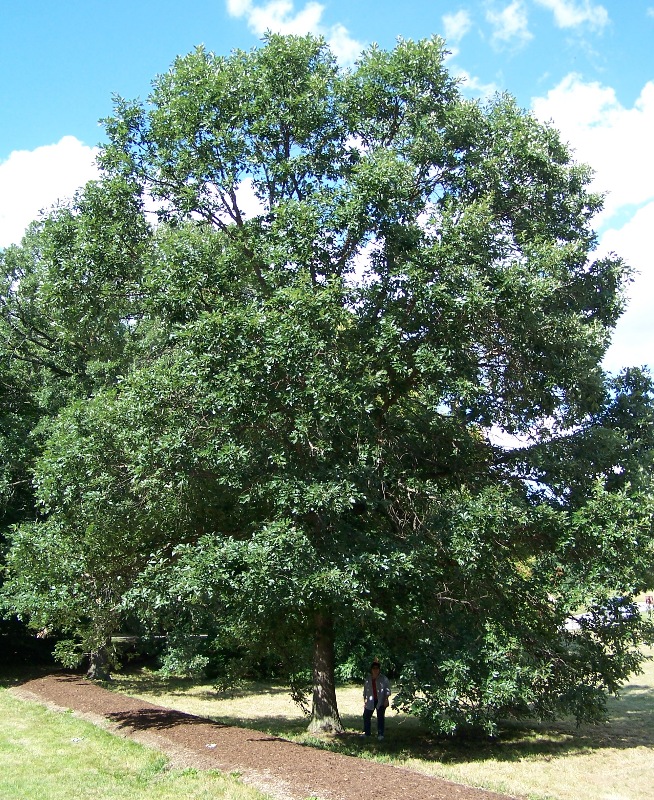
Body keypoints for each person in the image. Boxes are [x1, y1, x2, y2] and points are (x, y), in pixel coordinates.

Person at [363, 659, 391, 740]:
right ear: (371, 669)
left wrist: (386, 699)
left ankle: (380, 734)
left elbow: (387, 690)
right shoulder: (368, 679)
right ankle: (367, 733)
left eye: (377, 668)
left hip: (381, 700)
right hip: (370, 701)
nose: (375, 670)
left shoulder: (384, 679)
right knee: (366, 716)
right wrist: (365, 699)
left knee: (380, 717)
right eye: (374, 668)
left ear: (379, 669)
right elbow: (365, 690)